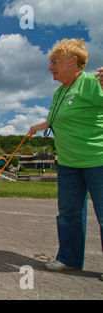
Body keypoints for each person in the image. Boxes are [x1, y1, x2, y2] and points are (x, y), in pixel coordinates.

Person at [29, 39, 103, 278]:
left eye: (54, 63)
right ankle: (69, 259)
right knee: (68, 213)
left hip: (97, 159)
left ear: (73, 62)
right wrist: (37, 126)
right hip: (69, 164)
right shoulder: (59, 92)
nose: (50, 68)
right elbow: (55, 118)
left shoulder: (93, 83)